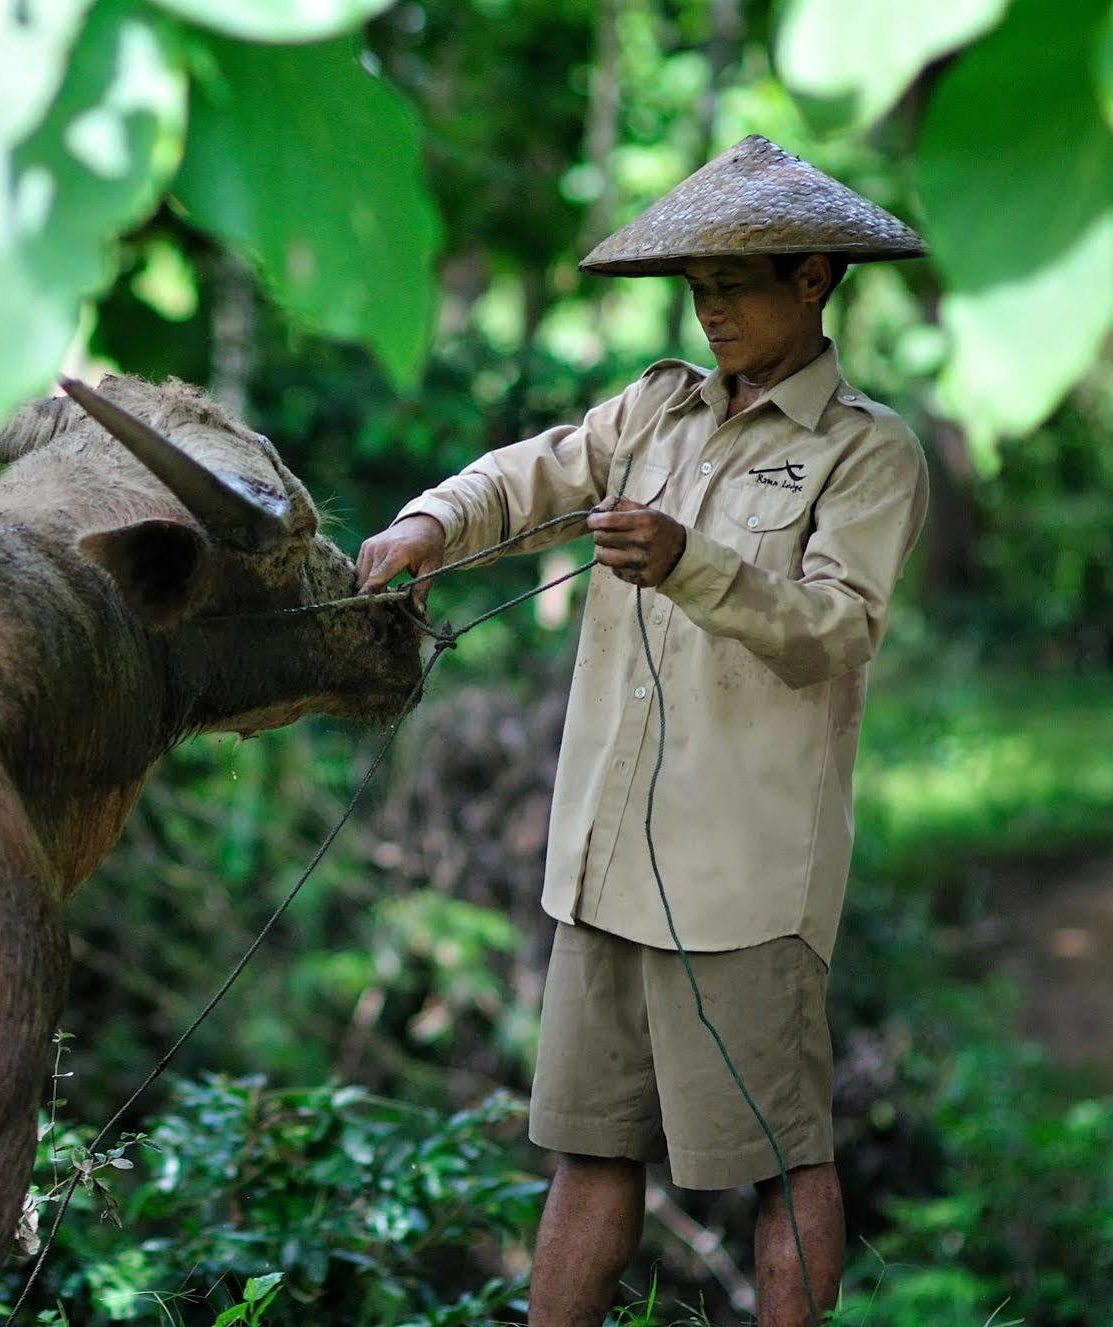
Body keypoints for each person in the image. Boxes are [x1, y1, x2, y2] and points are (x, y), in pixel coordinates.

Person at [354, 135, 931, 1327]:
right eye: (696, 287)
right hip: (601, 861)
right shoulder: (656, 408)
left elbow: (834, 630)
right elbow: (532, 477)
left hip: (745, 881)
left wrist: (690, 566)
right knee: (587, 1147)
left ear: (815, 278)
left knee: (783, 1159)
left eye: (735, 284)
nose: (709, 309)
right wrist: (428, 524)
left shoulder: (864, 451)